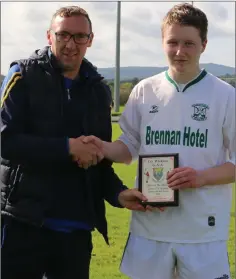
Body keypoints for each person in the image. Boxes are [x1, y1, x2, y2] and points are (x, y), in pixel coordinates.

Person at [83, 3, 235, 279]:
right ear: (162, 42)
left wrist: (200, 177)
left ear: (204, 44)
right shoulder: (145, 90)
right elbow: (128, 146)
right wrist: (102, 147)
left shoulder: (225, 95)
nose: (180, 51)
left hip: (202, 230)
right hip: (150, 224)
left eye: (189, 43)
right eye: (173, 42)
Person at [0, 5, 148, 279]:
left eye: (80, 36)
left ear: (90, 40)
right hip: (24, 223)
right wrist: (67, 147)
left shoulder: (98, 90)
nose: (71, 44)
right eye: (63, 35)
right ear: (49, 36)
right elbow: (5, 142)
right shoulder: (22, 75)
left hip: (75, 229)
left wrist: (118, 193)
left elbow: (99, 160)